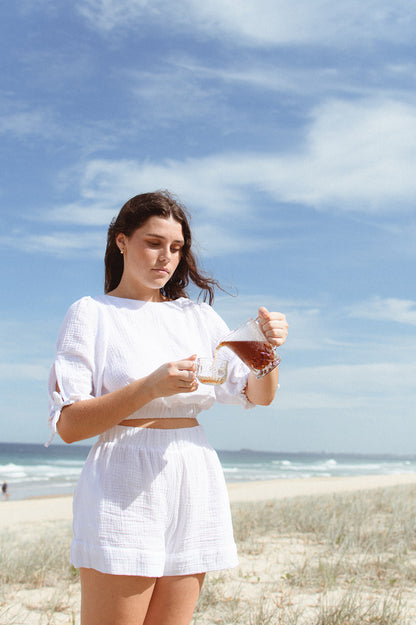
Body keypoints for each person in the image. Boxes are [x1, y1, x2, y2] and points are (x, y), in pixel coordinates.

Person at [47, 190, 288, 625]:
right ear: (122, 241)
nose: (166, 257)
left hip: (193, 474)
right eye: (153, 243)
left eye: (176, 248)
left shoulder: (197, 317)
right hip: (122, 478)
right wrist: (148, 388)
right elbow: (68, 424)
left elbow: (258, 394)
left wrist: (266, 352)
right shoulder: (92, 313)